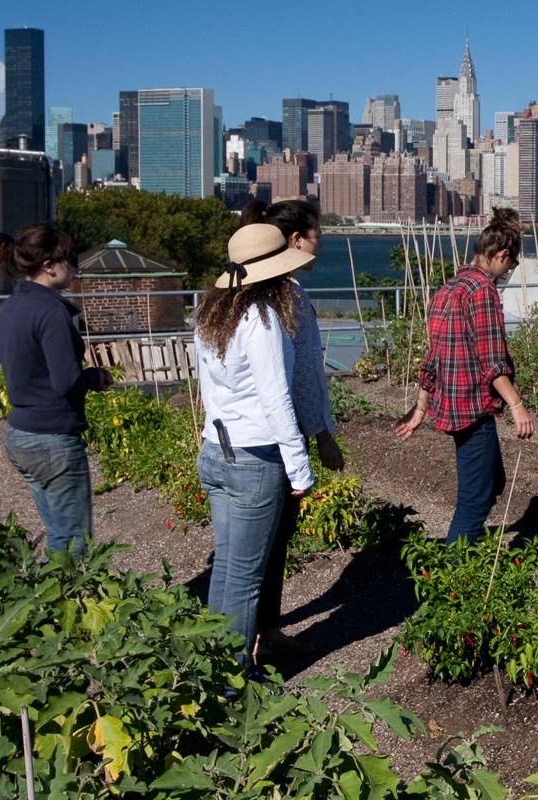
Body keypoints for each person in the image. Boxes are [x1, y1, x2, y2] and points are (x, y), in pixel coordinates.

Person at [193, 222, 317, 670]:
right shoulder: (262, 318)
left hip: (217, 449)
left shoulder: (213, 313)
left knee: (226, 568)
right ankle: (232, 680)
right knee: (245, 580)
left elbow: (209, 387)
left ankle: (209, 670)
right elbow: (276, 397)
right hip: (254, 459)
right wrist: (300, 471)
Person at [236, 200, 343, 662]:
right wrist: (320, 435)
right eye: (316, 231)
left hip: (239, 440)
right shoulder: (288, 297)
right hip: (275, 442)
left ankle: (264, 629)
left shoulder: (253, 293)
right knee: (265, 546)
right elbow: (298, 380)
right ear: (295, 240)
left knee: (261, 547)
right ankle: (257, 637)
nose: (321, 239)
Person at [393, 208, 535, 543]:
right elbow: (491, 358)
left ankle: (469, 547)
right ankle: (456, 578)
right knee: (474, 501)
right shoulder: (481, 289)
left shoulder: (447, 288)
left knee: (491, 481)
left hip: (452, 404)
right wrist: (516, 405)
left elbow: (435, 356)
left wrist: (421, 407)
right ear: (501, 255)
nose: (509, 272)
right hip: (473, 407)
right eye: (511, 264)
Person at [0, 222, 113, 555]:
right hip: (52, 440)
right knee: (72, 543)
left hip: (21, 432)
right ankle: (56, 604)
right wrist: (95, 377)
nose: (76, 267)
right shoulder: (51, 311)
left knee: (58, 535)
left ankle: (42, 600)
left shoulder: (11, 306)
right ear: (49, 266)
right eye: (70, 260)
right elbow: (66, 380)